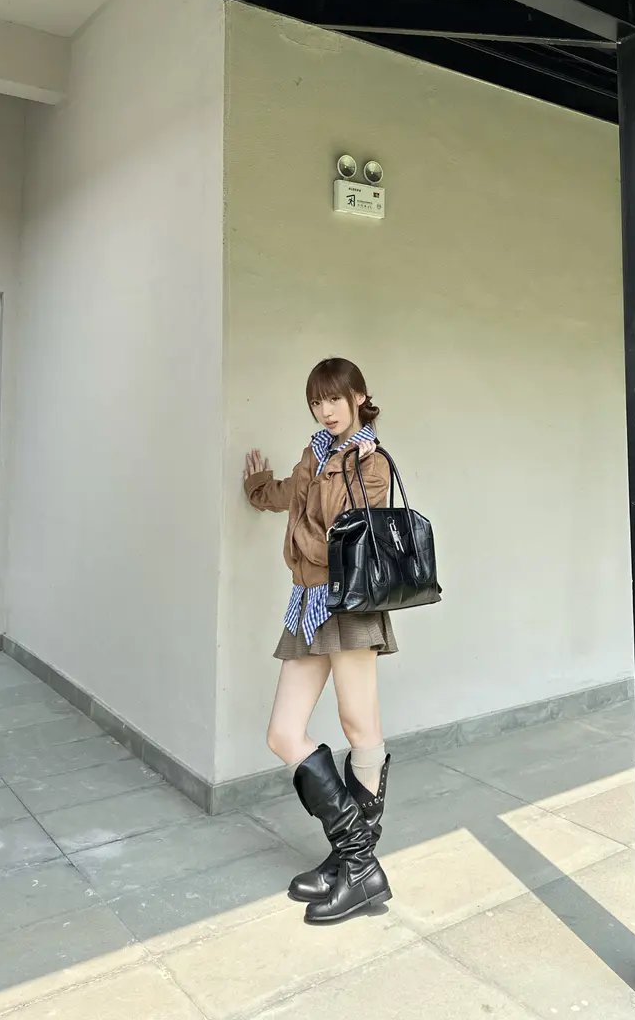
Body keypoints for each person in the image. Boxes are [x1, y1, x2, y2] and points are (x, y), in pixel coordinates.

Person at [243, 357, 396, 924]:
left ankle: (353, 867)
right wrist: (260, 489)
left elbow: (337, 540)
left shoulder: (371, 463)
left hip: (348, 606)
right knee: (283, 733)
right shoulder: (316, 453)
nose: (325, 410)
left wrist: (300, 531)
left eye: (334, 398)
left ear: (358, 396)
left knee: (360, 729)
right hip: (307, 604)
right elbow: (291, 496)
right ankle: (357, 862)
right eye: (316, 401)